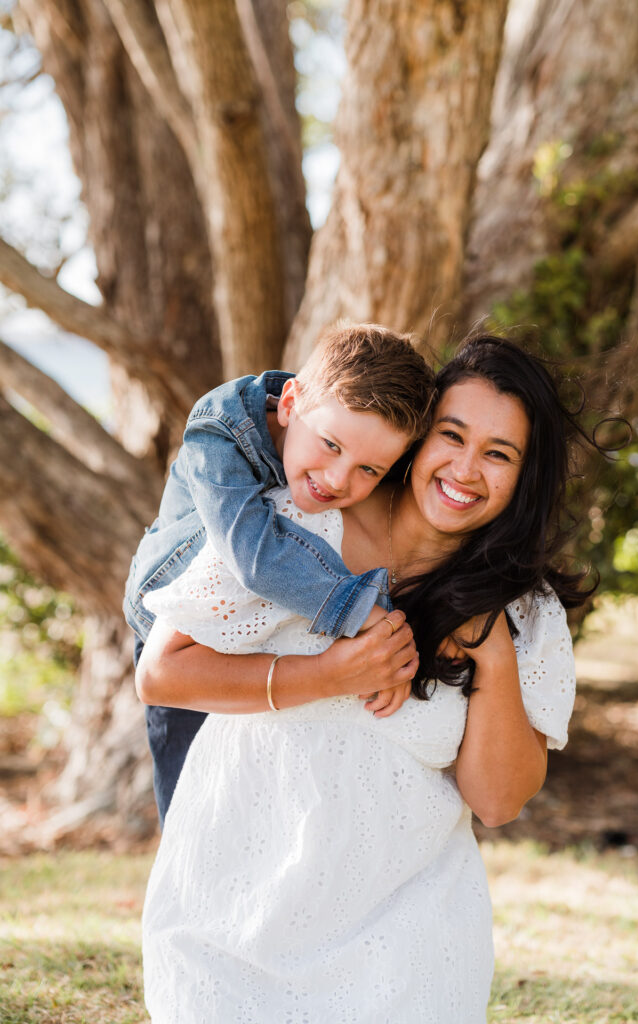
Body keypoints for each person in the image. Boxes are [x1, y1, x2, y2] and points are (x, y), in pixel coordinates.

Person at [136, 334, 597, 1023]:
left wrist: (492, 650)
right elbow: (163, 673)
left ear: (521, 478)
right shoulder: (292, 531)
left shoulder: (524, 614)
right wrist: (326, 674)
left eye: (497, 454)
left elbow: (498, 801)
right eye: (452, 436)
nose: (465, 469)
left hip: (404, 954)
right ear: (415, 439)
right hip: (227, 922)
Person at [123, 322, 436, 823]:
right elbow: (252, 556)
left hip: (260, 636)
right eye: (331, 445)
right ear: (289, 404)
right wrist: (366, 612)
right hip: (172, 616)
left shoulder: (344, 432)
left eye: (369, 471)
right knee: (192, 816)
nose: (338, 480)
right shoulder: (219, 431)